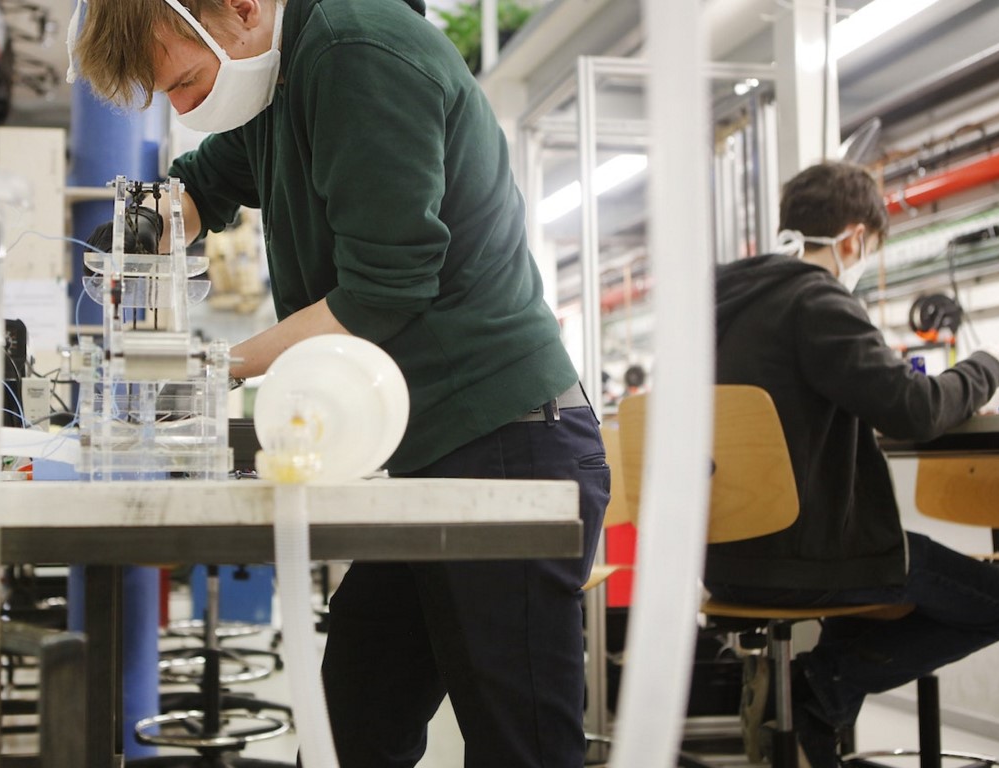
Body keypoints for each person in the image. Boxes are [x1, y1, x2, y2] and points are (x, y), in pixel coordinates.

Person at [70, 0, 609, 765]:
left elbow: (383, 291)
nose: (182, 108)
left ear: (243, 10)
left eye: (187, 82)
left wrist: (209, 368)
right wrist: (142, 231)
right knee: (351, 729)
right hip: (431, 457)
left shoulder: (356, 54)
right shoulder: (275, 83)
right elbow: (203, 185)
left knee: (520, 747)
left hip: (508, 447)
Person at [709, 161, 999, 767]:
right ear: (854, 238)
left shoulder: (719, 309)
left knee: (869, 593)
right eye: (870, 250)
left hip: (724, 561)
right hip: (809, 556)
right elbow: (914, 409)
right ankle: (816, 689)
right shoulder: (815, 298)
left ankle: (815, 717)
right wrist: (990, 364)